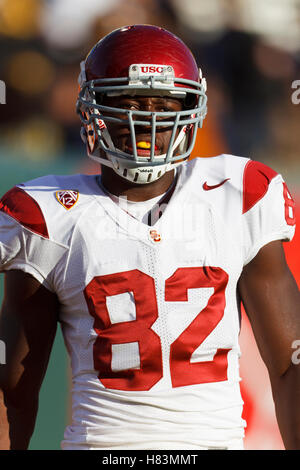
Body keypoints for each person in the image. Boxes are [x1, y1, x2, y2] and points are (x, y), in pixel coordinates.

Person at [0, 24, 299, 451]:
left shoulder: (240, 195)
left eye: (165, 103)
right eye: (127, 103)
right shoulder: (50, 215)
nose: (147, 119)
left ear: (191, 107)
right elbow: (14, 388)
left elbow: (290, 364)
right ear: (92, 107)